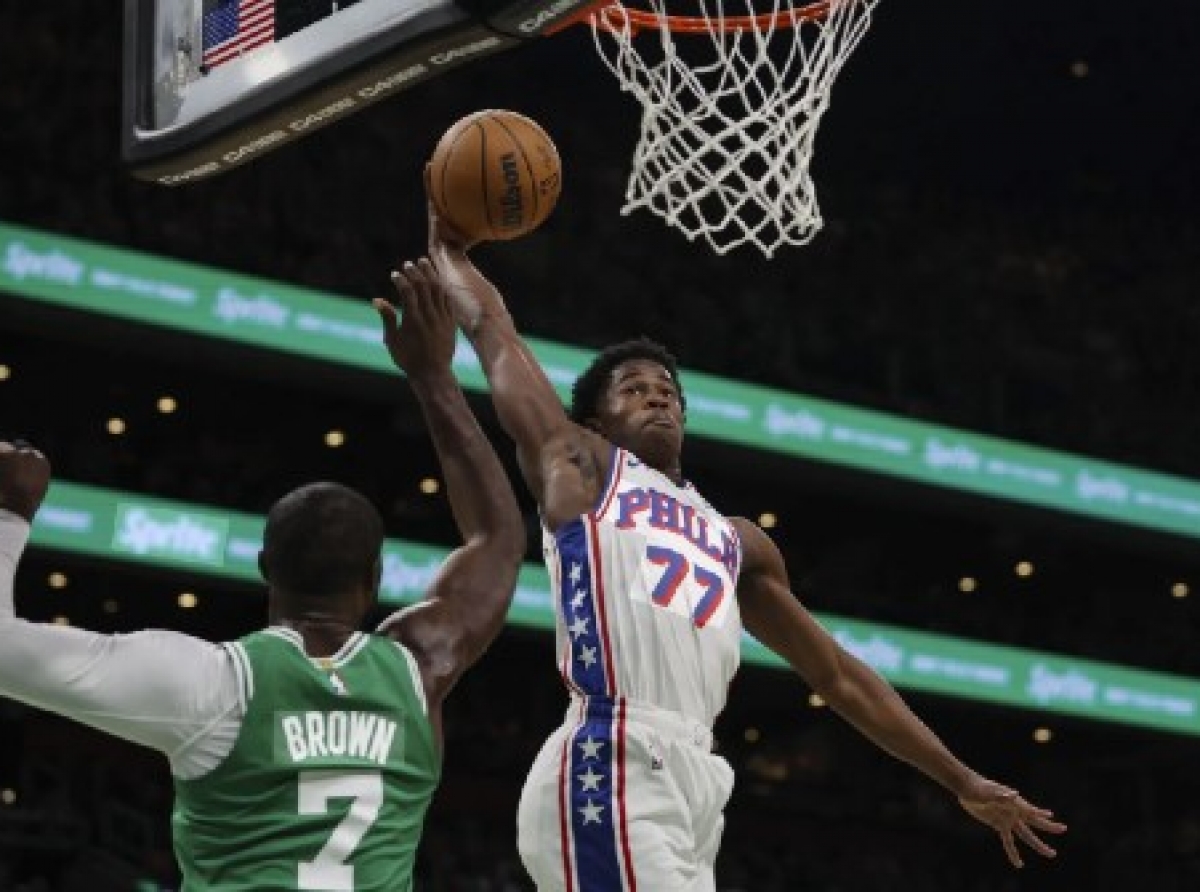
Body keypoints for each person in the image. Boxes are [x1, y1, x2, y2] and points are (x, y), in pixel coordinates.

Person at [418, 193, 1068, 890]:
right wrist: (450, 252)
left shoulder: (740, 542)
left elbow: (838, 676)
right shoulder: (581, 467)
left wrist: (960, 778)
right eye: (632, 390)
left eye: (666, 390)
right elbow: (496, 334)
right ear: (596, 424)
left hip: (697, 785)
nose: (657, 396)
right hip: (613, 757)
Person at [0, 260, 525, 891]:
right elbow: (498, 540)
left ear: (265, 570)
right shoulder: (419, 670)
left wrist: (9, 513)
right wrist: (434, 376)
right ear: (375, 578)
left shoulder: (214, 686)